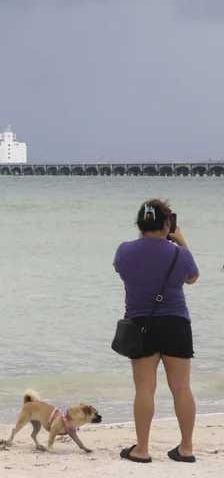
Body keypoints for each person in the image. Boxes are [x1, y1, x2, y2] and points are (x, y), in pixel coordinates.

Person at [113, 199, 199, 464]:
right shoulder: (180, 254)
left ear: (139, 224)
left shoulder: (124, 251)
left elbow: (122, 271)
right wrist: (180, 240)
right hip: (176, 324)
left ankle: (142, 449)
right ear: (167, 224)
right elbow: (192, 278)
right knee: (182, 388)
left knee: (144, 389)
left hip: (141, 325)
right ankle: (186, 449)